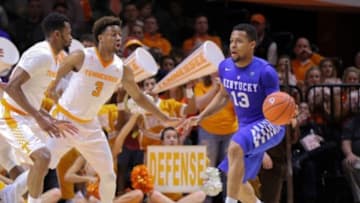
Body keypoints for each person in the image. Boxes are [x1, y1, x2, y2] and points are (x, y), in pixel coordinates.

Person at [46, 16, 180, 203]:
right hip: (64, 119)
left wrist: (163, 117)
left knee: (109, 176)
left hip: (90, 126)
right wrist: (51, 92)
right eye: (113, 34)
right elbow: (54, 72)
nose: (118, 38)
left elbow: (139, 97)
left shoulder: (122, 69)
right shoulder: (82, 56)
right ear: (100, 37)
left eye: (119, 34)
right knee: (41, 164)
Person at [186, 23, 286, 203]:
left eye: (239, 41)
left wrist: (287, 117)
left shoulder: (266, 71)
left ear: (252, 44)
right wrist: (201, 117)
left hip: (270, 124)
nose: (233, 45)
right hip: (246, 128)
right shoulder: (225, 67)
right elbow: (223, 97)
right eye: (232, 41)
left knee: (235, 146)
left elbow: (277, 105)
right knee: (236, 181)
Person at [0, 13, 77, 203]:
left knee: (42, 163)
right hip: (11, 116)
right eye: (68, 33)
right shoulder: (41, 54)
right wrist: (40, 118)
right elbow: (12, 87)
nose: (71, 37)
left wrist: (47, 117)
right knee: (42, 158)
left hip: (26, 116)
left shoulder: (56, 58)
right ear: (57, 35)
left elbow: (31, 96)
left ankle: (12, 194)